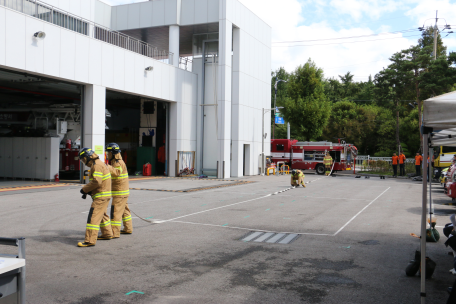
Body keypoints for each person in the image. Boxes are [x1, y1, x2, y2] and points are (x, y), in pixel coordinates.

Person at [78, 148, 113, 247]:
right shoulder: (99, 163)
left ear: (88, 157)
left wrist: (85, 189)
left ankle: (89, 240)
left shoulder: (96, 165)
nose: (83, 162)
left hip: (101, 196)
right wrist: (90, 191)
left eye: (83, 159)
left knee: (93, 217)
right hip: (104, 194)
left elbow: (97, 181)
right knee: (102, 215)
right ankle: (107, 233)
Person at [106, 143, 133, 238]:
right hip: (123, 192)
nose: (107, 154)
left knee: (115, 212)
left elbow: (116, 173)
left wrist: (107, 167)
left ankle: (114, 232)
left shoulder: (117, 163)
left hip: (119, 193)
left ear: (112, 153)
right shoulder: (116, 162)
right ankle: (128, 228)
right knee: (125, 211)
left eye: (108, 152)